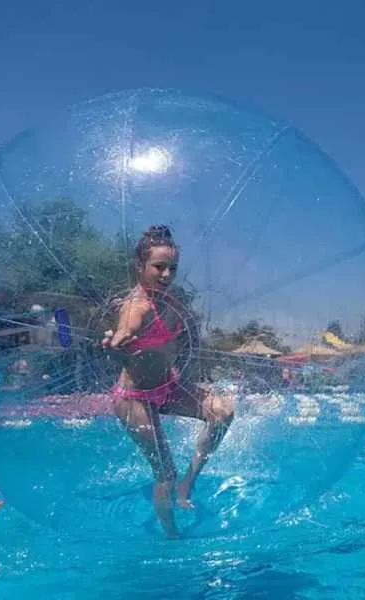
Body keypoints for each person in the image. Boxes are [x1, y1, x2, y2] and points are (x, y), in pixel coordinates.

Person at [102, 225, 234, 538]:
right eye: (158, 267)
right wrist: (117, 340)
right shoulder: (136, 306)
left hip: (168, 387)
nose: (166, 274)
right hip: (134, 399)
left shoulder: (170, 301)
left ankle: (188, 485)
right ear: (140, 266)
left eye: (172, 268)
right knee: (165, 473)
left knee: (223, 411)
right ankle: (172, 536)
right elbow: (126, 328)